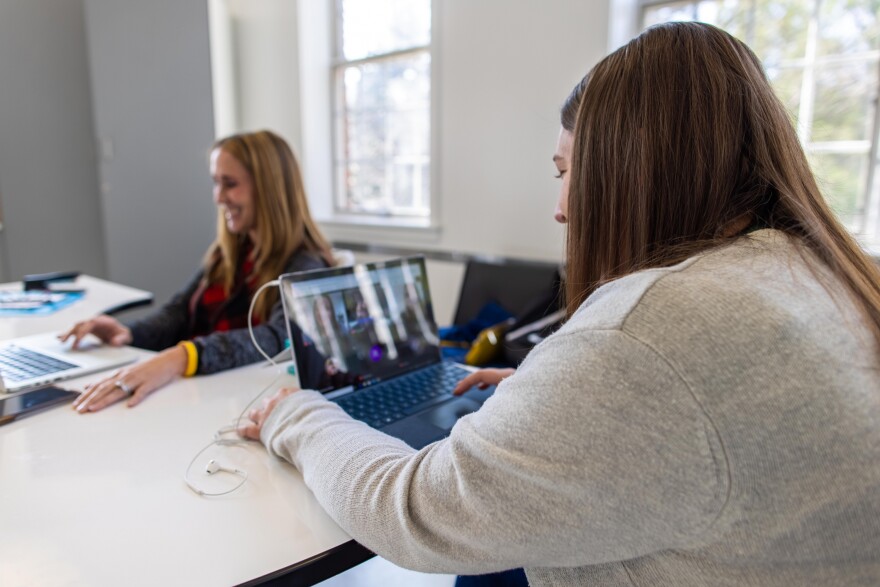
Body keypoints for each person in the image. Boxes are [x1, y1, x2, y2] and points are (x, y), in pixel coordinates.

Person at [239, 23, 880, 586]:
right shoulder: (823, 270)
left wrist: (298, 415)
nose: (561, 207)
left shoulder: (651, 328)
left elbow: (413, 513)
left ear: (626, 169)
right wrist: (551, 396)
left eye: (566, 170)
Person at [65, 130, 334, 412]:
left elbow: (277, 338)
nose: (219, 197)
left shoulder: (306, 265)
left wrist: (183, 357)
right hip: (198, 396)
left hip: (238, 406)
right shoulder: (228, 253)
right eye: (216, 183)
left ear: (269, 190)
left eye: (229, 184)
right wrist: (129, 333)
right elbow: (179, 313)